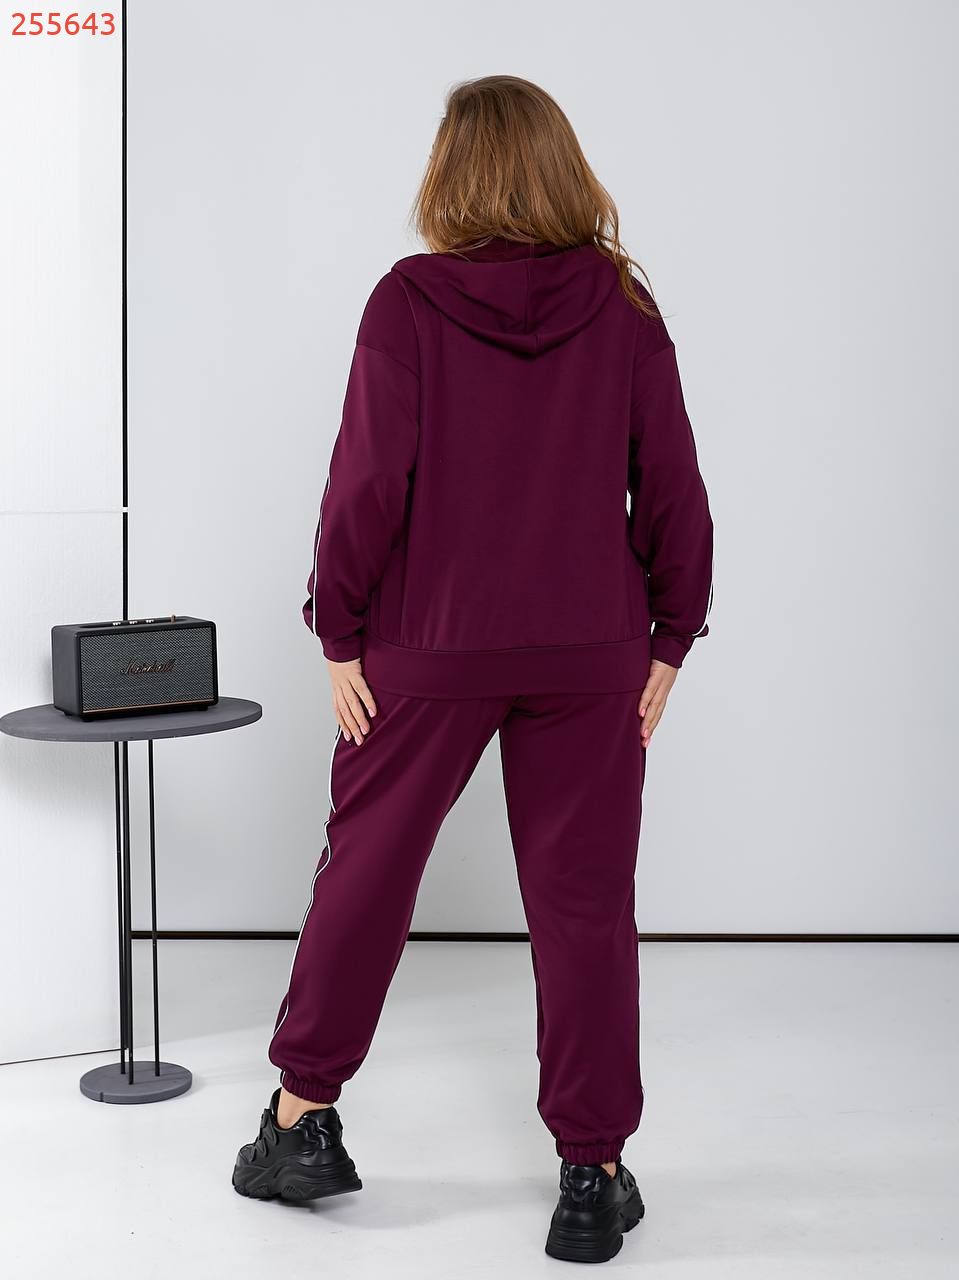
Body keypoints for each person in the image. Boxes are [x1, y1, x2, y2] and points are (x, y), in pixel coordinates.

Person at [232, 74, 713, 1265]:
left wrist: (337, 628)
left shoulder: (407, 302)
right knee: (584, 904)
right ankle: (591, 1175)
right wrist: (669, 630)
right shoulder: (622, 305)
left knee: (365, 872)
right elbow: (672, 480)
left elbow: (364, 483)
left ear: (452, 170)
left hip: (426, 646)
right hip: (589, 648)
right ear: (559, 166)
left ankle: (300, 1120)